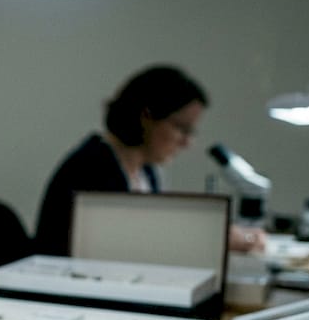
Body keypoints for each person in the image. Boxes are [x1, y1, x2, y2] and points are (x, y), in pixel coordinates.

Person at [33, 64, 265, 257]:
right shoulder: (93, 167)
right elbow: (128, 246)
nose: (187, 143)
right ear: (147, 117)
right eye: (182, 129)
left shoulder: (146, 172)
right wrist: (212, 241)